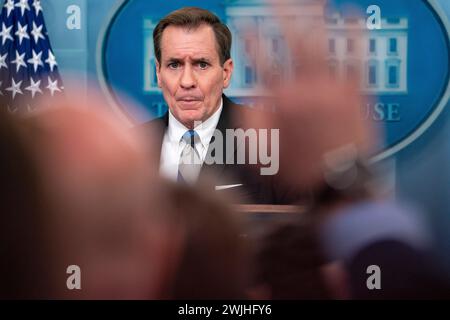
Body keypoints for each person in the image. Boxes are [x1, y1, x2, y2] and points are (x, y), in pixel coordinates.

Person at [136, 7, 310, 205]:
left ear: (226, 73)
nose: (186, 81)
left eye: (201, 64)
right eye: (174, 65)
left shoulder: (273, 143)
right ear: (158, 73)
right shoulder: (131, 148)